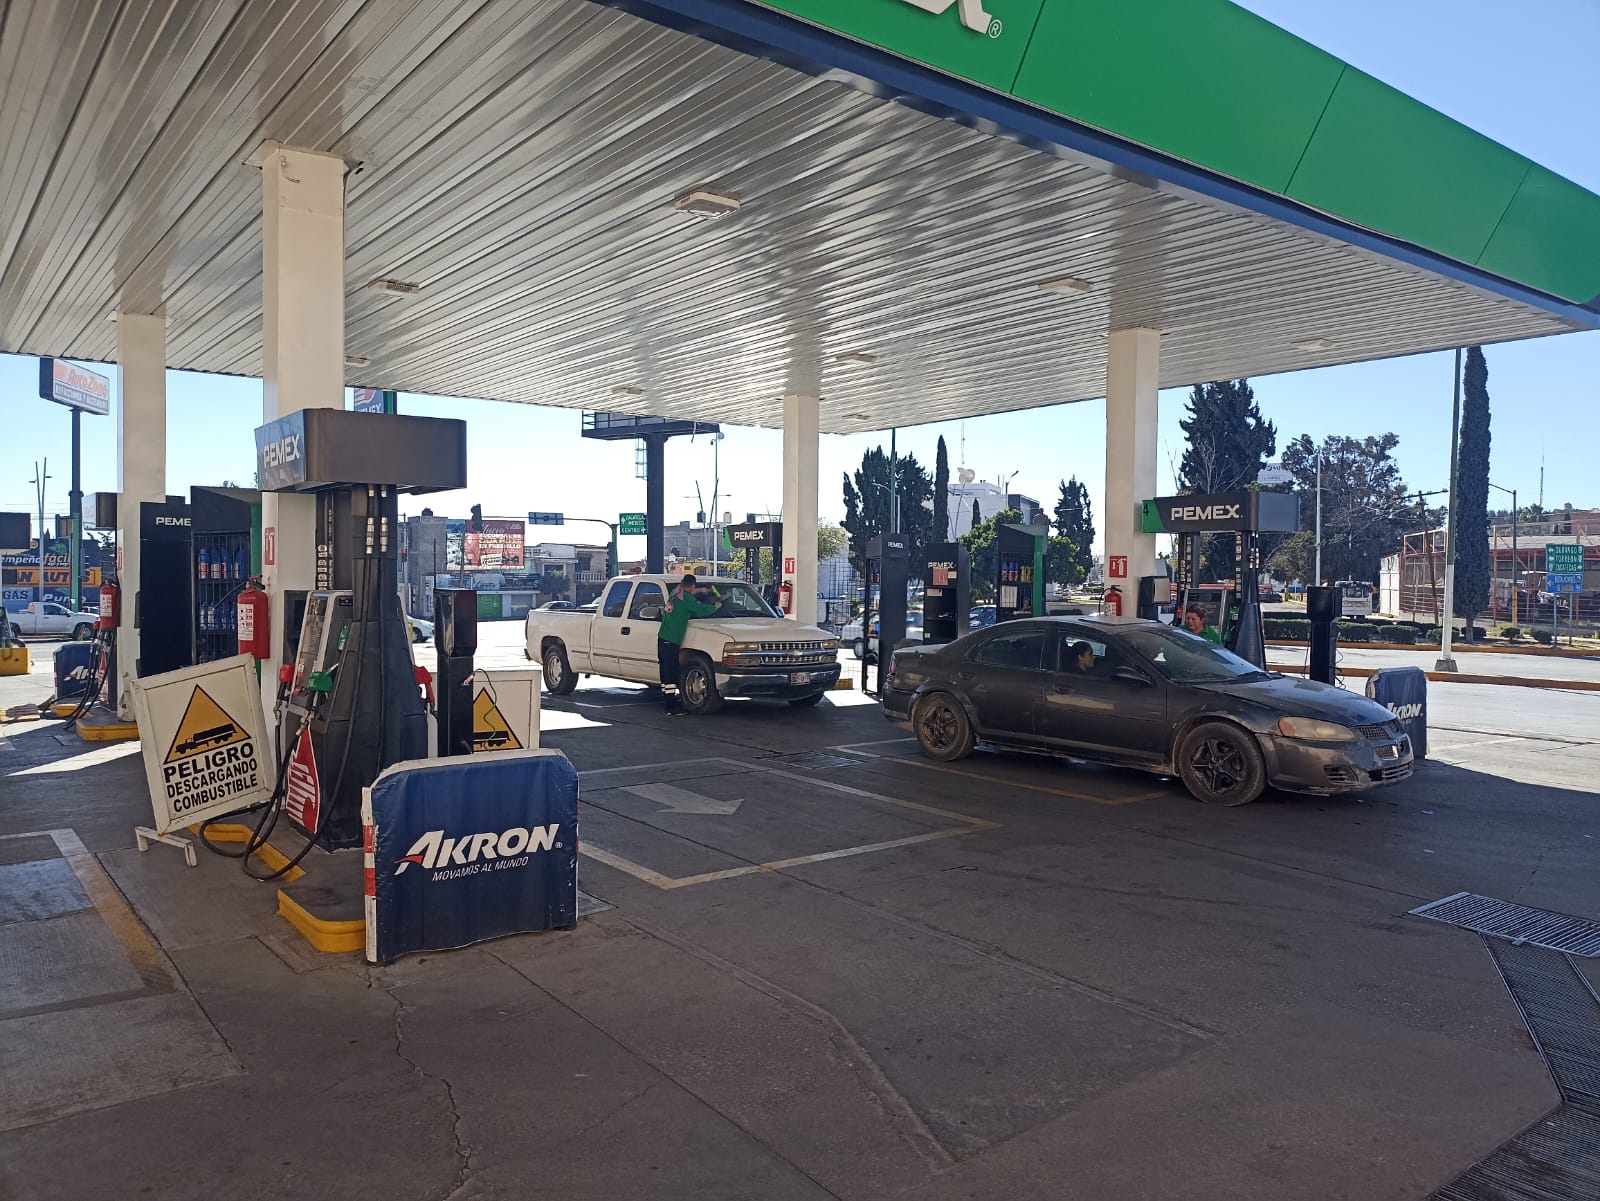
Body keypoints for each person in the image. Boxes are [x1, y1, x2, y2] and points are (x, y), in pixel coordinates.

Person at [658, 573, 719, 713]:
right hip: (672, 639)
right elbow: (701, 610)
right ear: (692, 586)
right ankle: (670, 707)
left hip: (663, 637)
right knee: (671, 672)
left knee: (665, 671)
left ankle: (667, 699)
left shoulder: (676, 592)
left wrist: (702, 590)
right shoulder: (687, 600)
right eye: (694, 587)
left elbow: (687, 590)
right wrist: (715, 606)